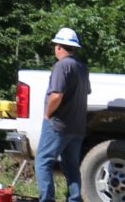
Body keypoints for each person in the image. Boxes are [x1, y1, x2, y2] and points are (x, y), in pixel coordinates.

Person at [37, 27, 91, 202]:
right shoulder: (82, 67)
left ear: (59, 46)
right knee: (71, 167)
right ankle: (75, 199)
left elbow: (57, 95)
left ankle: (47, 199)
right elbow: (85, 93)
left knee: (43, 162)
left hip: (58, 124)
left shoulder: (62, 66)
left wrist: (48, 113)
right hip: (77, 127)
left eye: (55, 45)